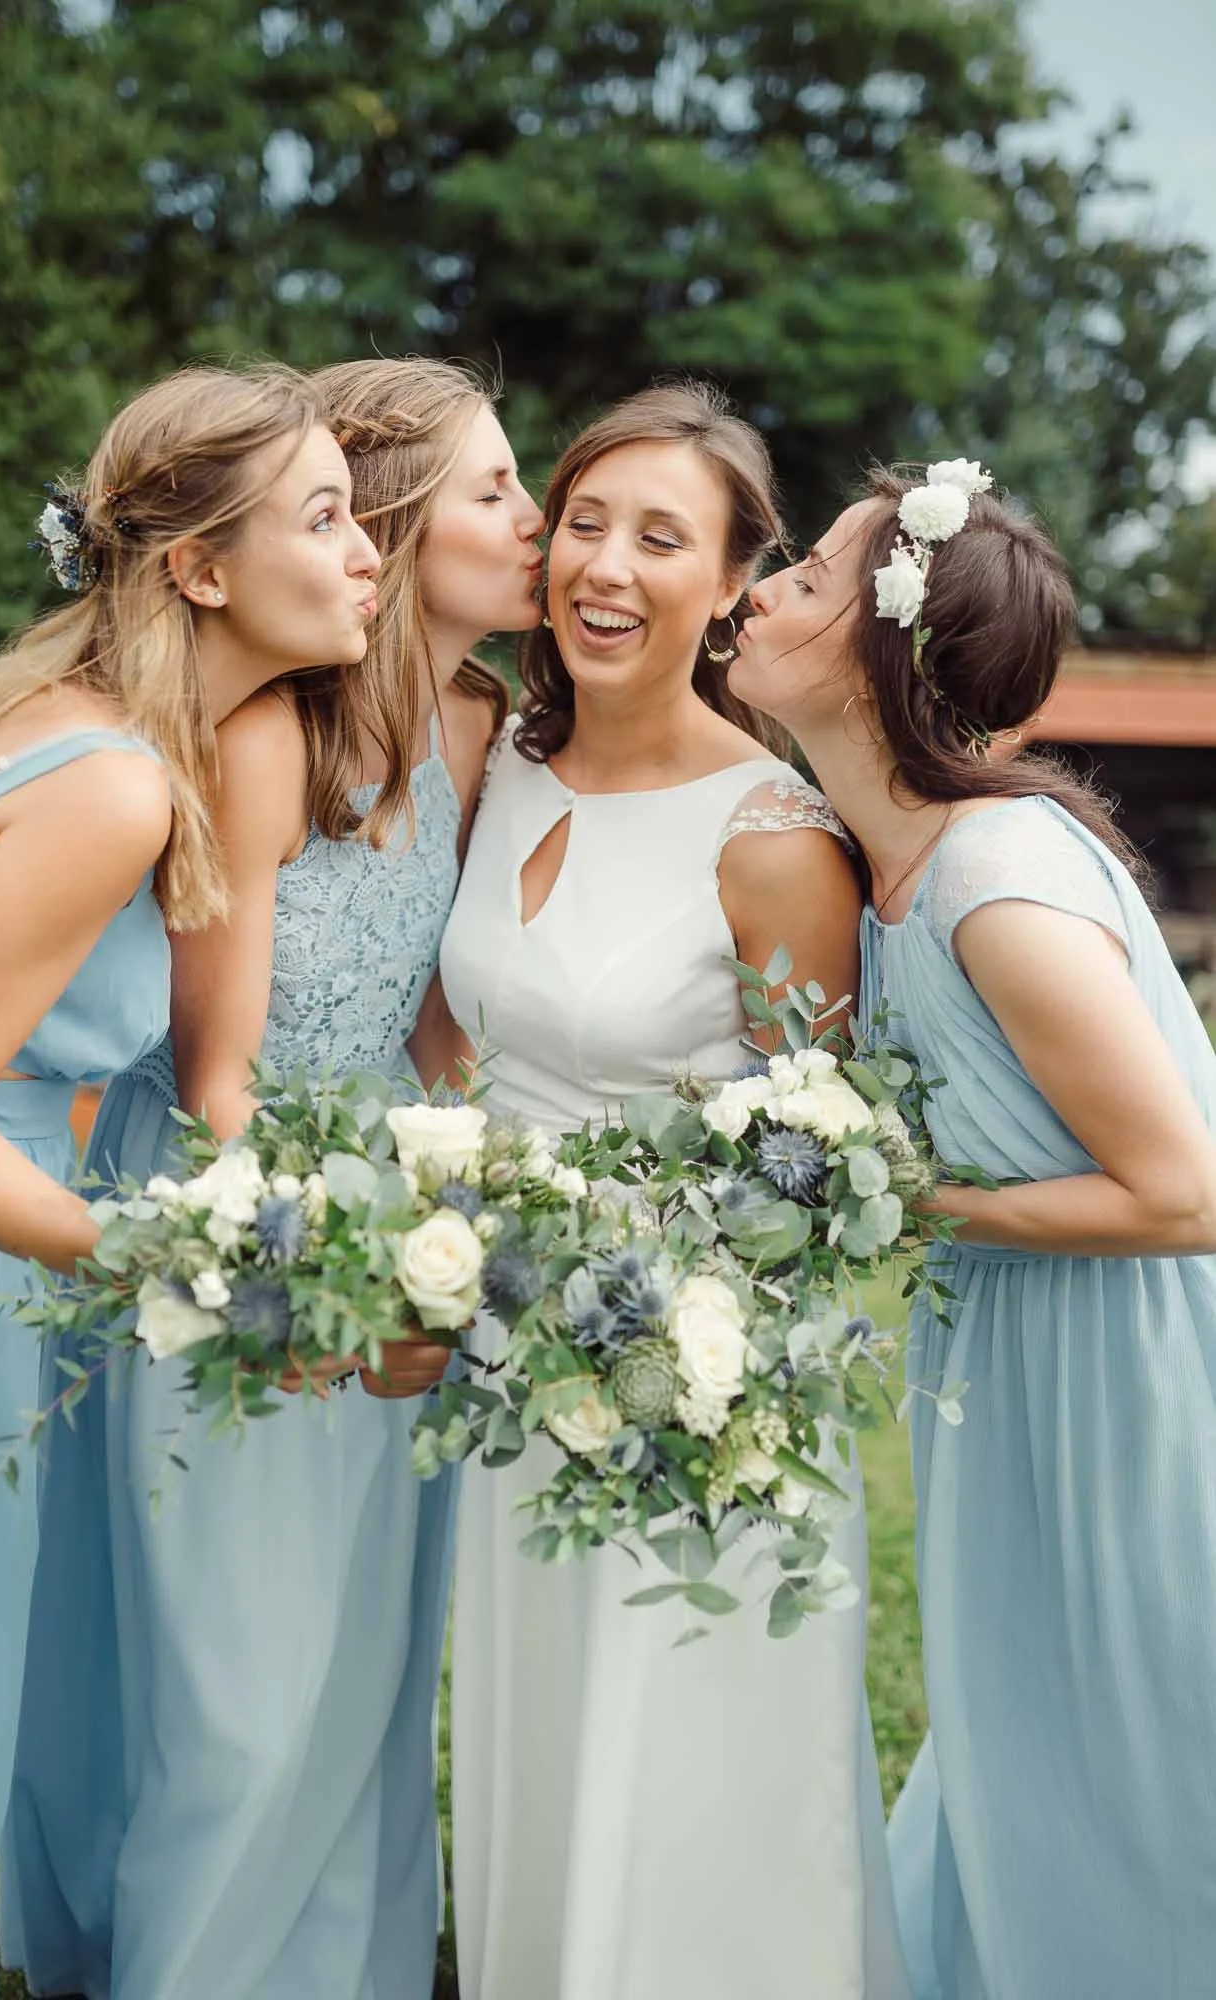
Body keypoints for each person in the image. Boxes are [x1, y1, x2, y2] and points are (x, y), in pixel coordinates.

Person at [2, 356, 545, 2000]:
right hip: (240, 1217)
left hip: (394, 1214)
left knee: (363, 1664)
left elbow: (438, 1034)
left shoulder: (480, 726)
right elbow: (216, 1077)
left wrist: (463, 1229)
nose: (535, 521)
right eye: (497, 491)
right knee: (235, 1685)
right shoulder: (264, 740)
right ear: (394, 521)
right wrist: (327, 1265)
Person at [0, 361, 362, 1999]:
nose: (362, 548)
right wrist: (183, 1267)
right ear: (201, 569)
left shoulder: (75, 730)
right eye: (324, 515)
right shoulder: (111, 786)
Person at [439, 382, 909, 2000]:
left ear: (728, 585)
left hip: (692, 1379)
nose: (607, 567)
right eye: (583, 522)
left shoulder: (772, 835)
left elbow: (814, 1157)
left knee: (690, 1767)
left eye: (661, 538)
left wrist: (667, 1337)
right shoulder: (499, 761)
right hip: (509, 1350)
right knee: (543, 1743)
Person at [728, 459, 1216, 1998]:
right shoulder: (877, 866)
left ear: (886, 652)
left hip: (1125, 1370)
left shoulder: (996, 883)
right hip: (1007, 1342)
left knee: (1131, 1739)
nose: (763, 591)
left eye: (810, 577)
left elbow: (1186, 1194)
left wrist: (893, 1198)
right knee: (1025, 1722)